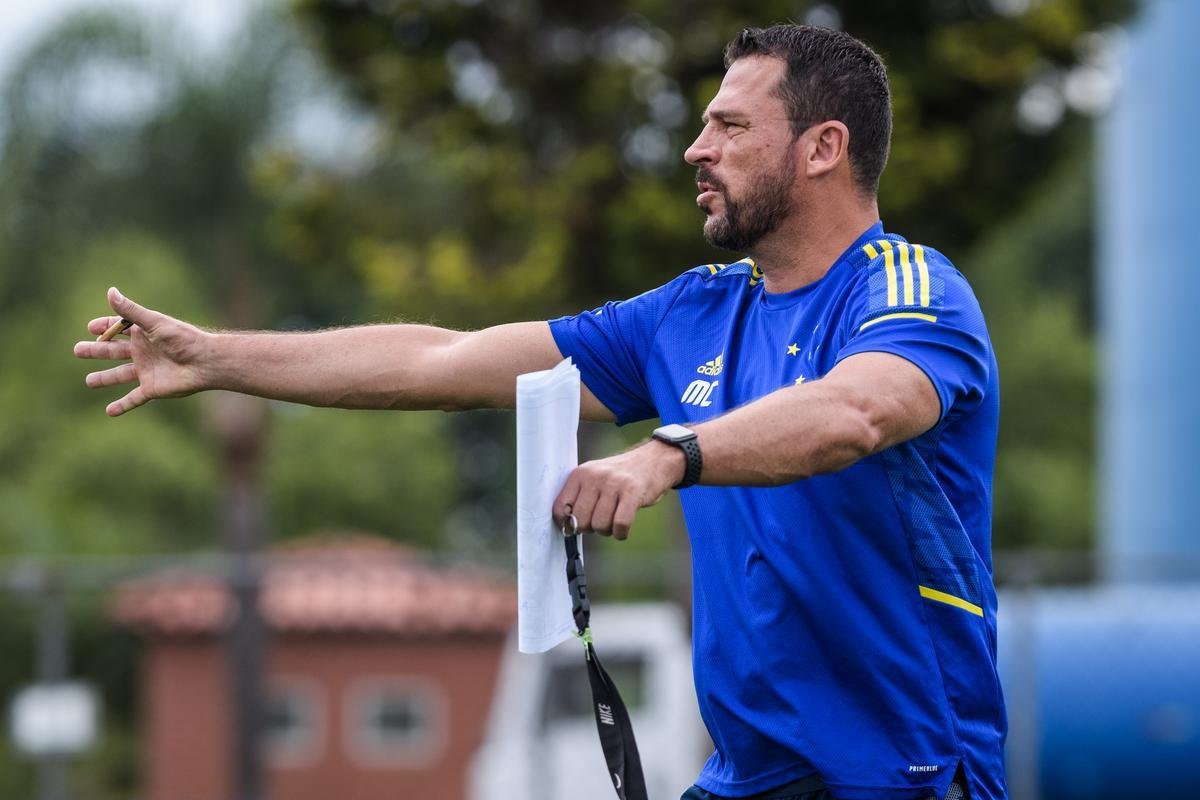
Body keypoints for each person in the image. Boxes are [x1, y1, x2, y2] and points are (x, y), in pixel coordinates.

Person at [75, 24, 1004, 800]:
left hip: (912, 775)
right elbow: (441, 358)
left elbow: (854, 414)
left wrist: (663, 455)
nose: (696, 149)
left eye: (728, 124)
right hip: (751, 778)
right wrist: (216, 356)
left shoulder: (915, 293)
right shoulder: (692, 312)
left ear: (823, 148)